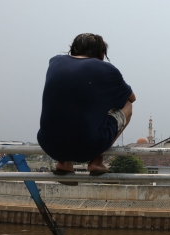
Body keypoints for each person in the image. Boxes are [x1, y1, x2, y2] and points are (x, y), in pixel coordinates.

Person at [37, 33, 135, 185]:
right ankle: (96, 161)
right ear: (102, 54)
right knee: (127, 106)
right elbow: (131, 98)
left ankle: (63, 163)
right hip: (88, 147)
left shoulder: (55, 62)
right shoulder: (105, 68)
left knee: (69, 103)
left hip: (48, 145)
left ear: (73, 50)